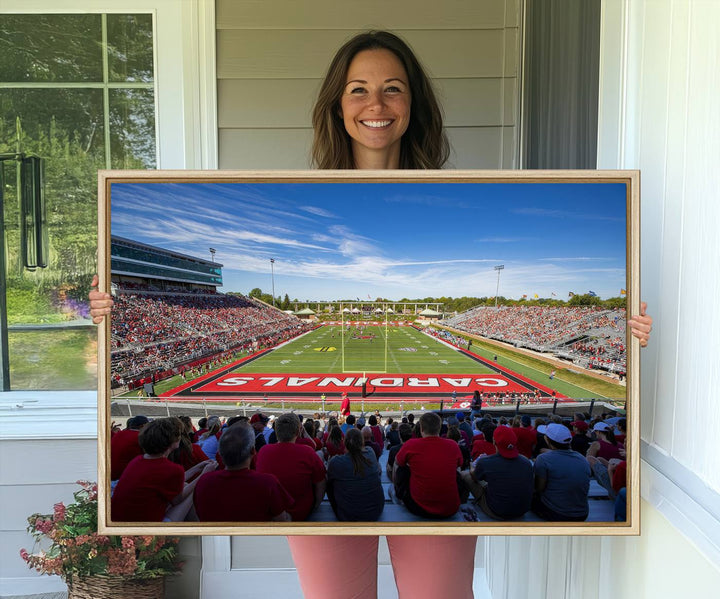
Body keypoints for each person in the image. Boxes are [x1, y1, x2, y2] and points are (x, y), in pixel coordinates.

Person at [89, 29, 654, 599]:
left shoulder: (458, 193)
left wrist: (627, 333)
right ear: (337, 103)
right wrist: (108, 312)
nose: (376, 104)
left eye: (393, 89)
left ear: (414, 104)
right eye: (358, 89)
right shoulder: (297, 189)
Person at [194, 421, 293, 522]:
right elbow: (282, 522)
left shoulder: (204, 481)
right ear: (253, 451)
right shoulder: (267, 483)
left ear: (220, 453)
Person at [255, 413, 326, 522]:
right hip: (301, 513)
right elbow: (321, 482)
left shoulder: (263, 451)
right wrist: (316, 506)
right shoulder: (307, 452)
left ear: (276, 431)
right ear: (298, 432)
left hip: (272, 515)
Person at [461, 426, 534, 520]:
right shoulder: (526, 462)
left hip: (497, 511)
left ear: (494, 441)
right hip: (522, 511)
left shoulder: (486, 462)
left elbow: (475, 477)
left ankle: (462, 506)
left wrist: (471, 468)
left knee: (464, 474)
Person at [326, 427, 385, 521]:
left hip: (348, 516)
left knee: (329, 480)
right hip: (375, 511)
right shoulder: (370, 452)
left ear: (345, 443)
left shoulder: (336, 462)